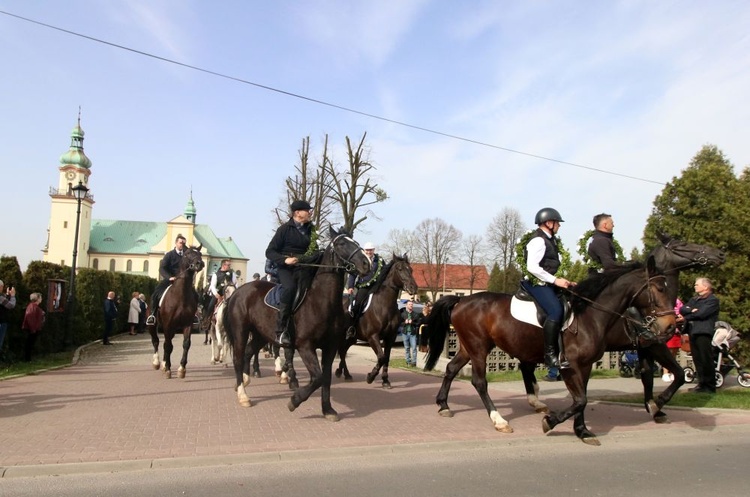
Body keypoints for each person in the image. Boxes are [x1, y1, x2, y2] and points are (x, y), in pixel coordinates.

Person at [522, 207, 576, 369]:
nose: (559, 225)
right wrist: (555, 280)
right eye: (557, 223)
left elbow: (550, 265)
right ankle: (550, 355)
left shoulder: (550, 239)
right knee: (555, 311)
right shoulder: (538, 240)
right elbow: (532, 267)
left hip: (547, 282)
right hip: (535, 283)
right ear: (548, 223)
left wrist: (564, 281)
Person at [265, 199, 316, 347]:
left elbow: (314, 249)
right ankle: (281, 331)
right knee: (290, 288)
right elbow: (270, 251)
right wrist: (284, 260)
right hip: (286, 268)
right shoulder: (284, 229)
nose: (309, 212)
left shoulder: (311, 230)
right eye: (307, 210)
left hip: (305, 266)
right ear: (297, 213)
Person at [678, 277, 720, 393]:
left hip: (703, 331)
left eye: (697, 284)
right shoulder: (695, 299)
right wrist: (692, 311)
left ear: (705, 287)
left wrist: (687, 316)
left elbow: (702, 314)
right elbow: (682, 309)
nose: (695, 286)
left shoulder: (712, 300)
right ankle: (701, 384)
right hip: (693, 331)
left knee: (705, 358)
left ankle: (710, 386)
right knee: (697, 359)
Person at [345, 241, 384, 339]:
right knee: (357, 305)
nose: (369, 252)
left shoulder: (379, 260)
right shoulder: (360, 259)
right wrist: (350, 286)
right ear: (364, 251)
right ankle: (352, 327)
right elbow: (353, 274)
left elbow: (384, 272)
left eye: (370, 250)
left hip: (377, 287)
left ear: (374, 250)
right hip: (364, 287)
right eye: (367, 250)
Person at [146, 234, 187, 326]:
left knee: (195, 295)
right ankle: (152, 315)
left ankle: (193, 316)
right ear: (176, 243)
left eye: (184, 243)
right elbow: (162, 269)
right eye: (181, 243)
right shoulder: (169, 255)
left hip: (183, 281)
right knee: (155, 294)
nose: (182, 245)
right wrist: (169, 277)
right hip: (170, 279)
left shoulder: (186, 256)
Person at [662, 298, 684, 382]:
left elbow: (682, 312)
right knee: (668, 352)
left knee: (674, 352)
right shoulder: (665, 300)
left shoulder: (678, 301)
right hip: (668, 330)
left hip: (677, 330)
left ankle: (672, 372)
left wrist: (681, 318)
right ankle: (665, 372)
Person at [22, 292, 45, 362]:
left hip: (34, 328)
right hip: (32, 329)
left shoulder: (34, 307)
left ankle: (29, 358)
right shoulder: (32, 307)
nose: (41, 299)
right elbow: (30, 317)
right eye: (40, 297)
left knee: (31, 343)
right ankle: (27, 359)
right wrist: (33, 329)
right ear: (37, 299)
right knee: (29, 343)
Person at [400, 301, 420, 367]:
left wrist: (412, 323)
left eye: (412, 304)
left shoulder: (415, 314)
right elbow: (400, 323)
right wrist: (404, 323)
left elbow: (418, 323)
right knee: (407, 348)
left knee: (414, 348)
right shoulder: (403, 314)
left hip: (412, 333)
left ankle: (414, 362)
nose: (411, 305)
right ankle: (408, 361)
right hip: (405, 333)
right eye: (409, 304)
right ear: (406, 305)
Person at [0, 279, 18, 351]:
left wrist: (7, 295)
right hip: (1, 322)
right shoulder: (0, 298)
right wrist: (13, 296)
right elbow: (10, 305)